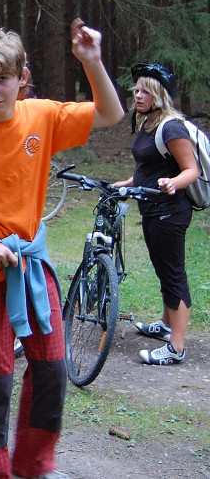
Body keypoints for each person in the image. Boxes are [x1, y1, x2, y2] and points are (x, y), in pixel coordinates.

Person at [0, 23, 124, 478]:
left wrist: (91, 61)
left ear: (22, 77)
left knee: (51, 368)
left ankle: (35, 464)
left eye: (3, 79)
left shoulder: (42, 117)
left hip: (32, 266)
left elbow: (111, 114)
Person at [111, 63, 197, 366]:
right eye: (136, 90)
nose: (138, 95)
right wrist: (125, 184)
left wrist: (173, 183)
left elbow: (190, 170)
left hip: (170, 212)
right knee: (163, 270)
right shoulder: (148, 122)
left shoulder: (171, 127)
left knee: (173, 274)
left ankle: (176, 347)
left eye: (145, 91)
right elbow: (148, 167)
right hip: (151, 208)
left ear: (159, 95)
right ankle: (165, 324)